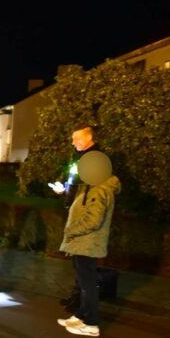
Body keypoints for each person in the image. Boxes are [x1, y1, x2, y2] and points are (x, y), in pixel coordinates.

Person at [57, 151, 120, 337]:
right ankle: (81, 315)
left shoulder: (99, 190)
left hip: (87, 243)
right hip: (82, 243)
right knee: (84, 282)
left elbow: (93, 220)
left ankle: (92, 323)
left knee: (88, 284)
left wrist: (71, 230)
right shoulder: (92, 187)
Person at [49, 124, 103, 311]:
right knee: (77, 262)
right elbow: (77, 185)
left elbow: (92, 192)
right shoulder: (81, 158)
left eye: (77, 138)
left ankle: (84, 306)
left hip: (84, 217)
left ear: (89, 138)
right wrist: (64, 190)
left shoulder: (95, 159)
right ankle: (77, 297)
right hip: (75, 211)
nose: (73, 142)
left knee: (84, 263)